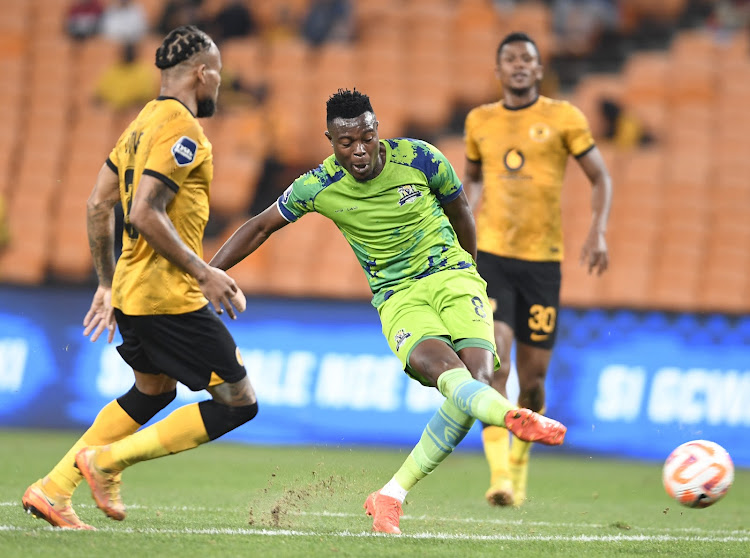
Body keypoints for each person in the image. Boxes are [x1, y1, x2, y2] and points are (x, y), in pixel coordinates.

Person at [209, 88, 567, 535]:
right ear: (331, 141)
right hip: (398, 296)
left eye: (366, 136)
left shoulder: (421, 158)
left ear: (378, 130)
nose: (359, 150)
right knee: (445, 373)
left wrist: (468, 273)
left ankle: (391, 496)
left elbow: (461, 211)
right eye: (346, 142)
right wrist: (207, 273)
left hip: (455, 278)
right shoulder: (318, 185)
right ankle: (512, 417)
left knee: (474, 384)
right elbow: (260, 225)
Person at [22, 25, 257, 530]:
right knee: (239, 403)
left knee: (153, 391)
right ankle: (105, 462)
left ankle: (53, 489)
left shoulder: (141, 123)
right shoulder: (182, 130)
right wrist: (205, 273)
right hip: (167, 294)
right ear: (203, 73)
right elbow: (146, 213)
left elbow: (97, 204)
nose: (219, 84)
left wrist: (108, 283)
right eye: (218, 74)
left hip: (132, 291)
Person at [463, 32, 612, 508]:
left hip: (543, 263)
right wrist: (456, 236)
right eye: (510, 58)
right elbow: (469, 182)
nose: (519, 64)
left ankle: (522, 466)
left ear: (539, 67)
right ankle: (500, 475)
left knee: (532, 382)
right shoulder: (479, 121)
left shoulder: (564, 117)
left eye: (527, 57)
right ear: (499, 71)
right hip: (492, 258)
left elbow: (600, 177)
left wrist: (597, 231)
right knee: (494, 363)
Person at [93, 42, 158, 111]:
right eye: (125, 52)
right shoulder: (114, 70)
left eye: (130, 52)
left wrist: (127, 105)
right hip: (114, 109)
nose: (127, 54)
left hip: (134, 110)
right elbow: (101, 92)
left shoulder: (143, 70)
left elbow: (146, 95)